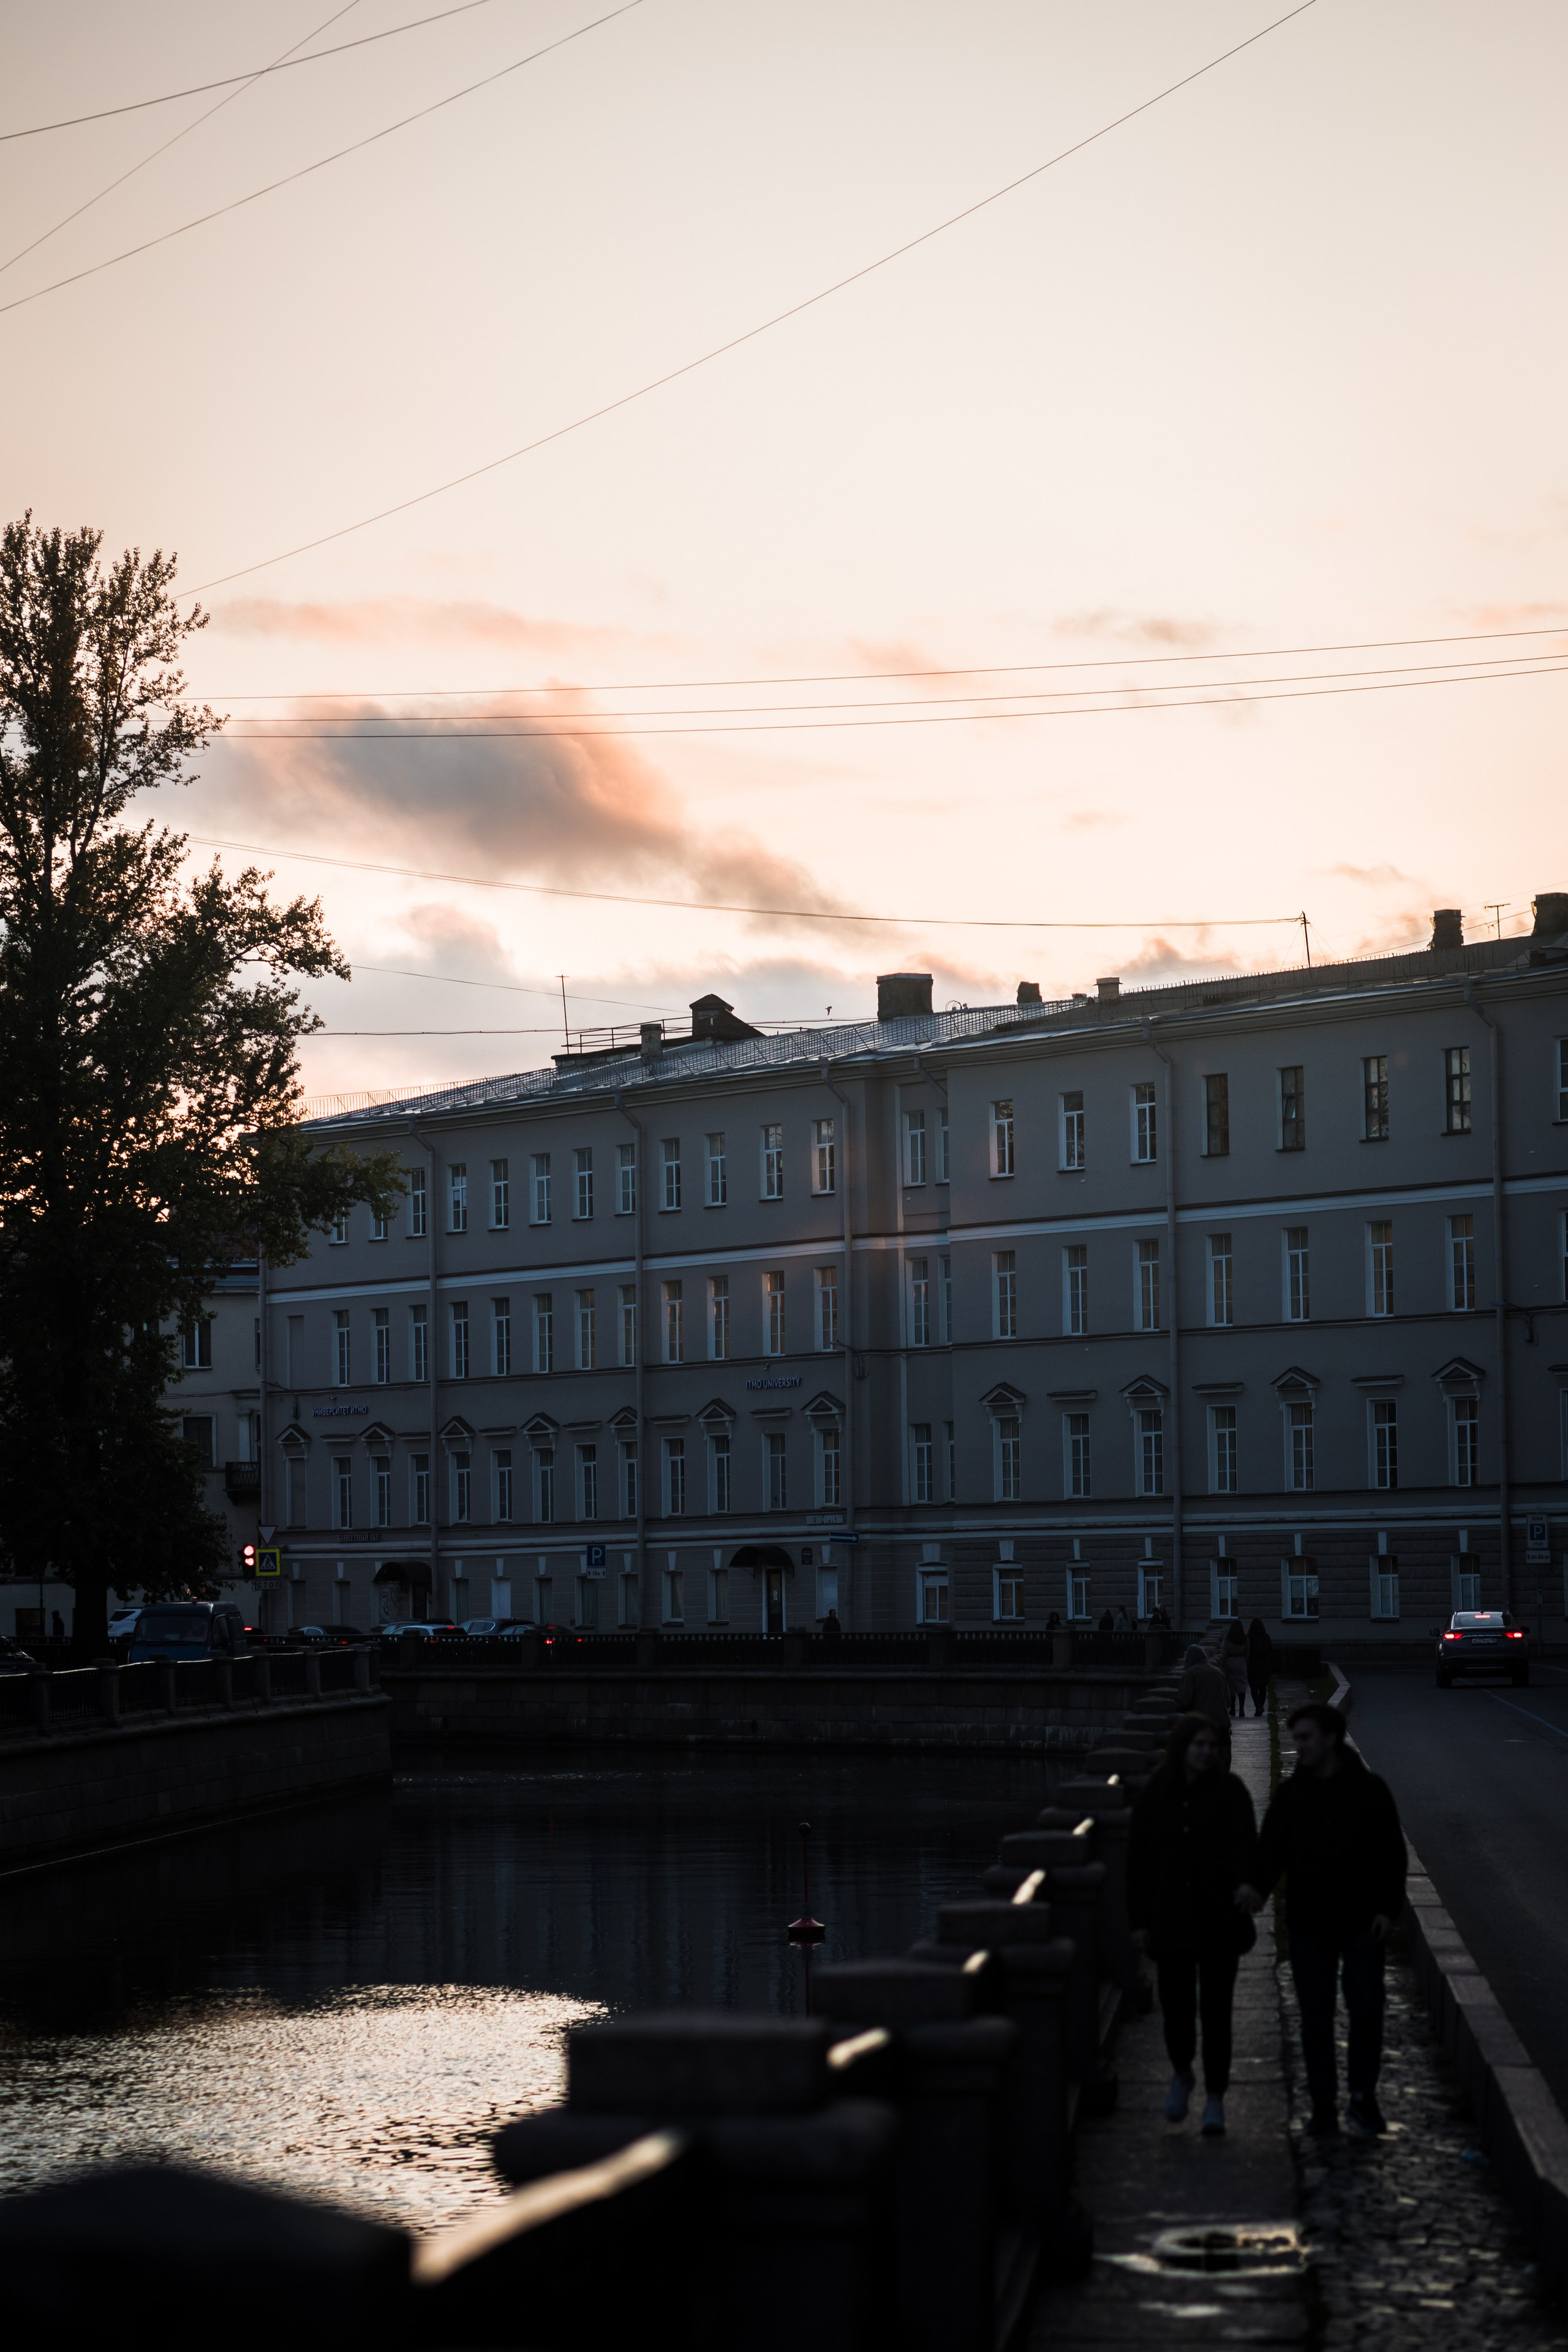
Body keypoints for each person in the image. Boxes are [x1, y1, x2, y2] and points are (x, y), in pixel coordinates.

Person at [1237, 1703, 1406, 2138]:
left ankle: (1363, 2099)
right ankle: (1324, 2105)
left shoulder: (1369, 1790)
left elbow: (1391, 1854)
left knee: (1366, 2009)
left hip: (1362, 1920)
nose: (1300, 1747)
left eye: (1306, 1738)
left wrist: (1387, 1910)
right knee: (1315, 2017)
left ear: (1330, 1738)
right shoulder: (1292, 1794)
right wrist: (1256, 1887)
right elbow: (1272, 1847)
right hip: (1309, 1922)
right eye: (1296, 1739)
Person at [1128, 1713, 1259, 2137]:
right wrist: (1138, 1921)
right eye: (1198, 1745)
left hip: (1220, 1919)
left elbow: (1247, 1845)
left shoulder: (1231, 1791)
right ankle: (1182, 2073)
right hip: (1171, 1919)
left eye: (1211, 1746)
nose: (1206, 1752)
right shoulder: (1157, 1792)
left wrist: (1248, 1883)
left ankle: (1216, 2098)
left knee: (1217, 2013)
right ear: (1182, 1748)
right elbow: (1138, 1861)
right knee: (1177, 2009)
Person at [1174, 1643, 1231, 1740]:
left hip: (1203, 1726)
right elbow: (1228, 1702)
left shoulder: (1191, 1673)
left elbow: (1185, 1700)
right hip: (1223, 1725)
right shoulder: (1218, 1672)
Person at [1245, 1617, 1275, 1717]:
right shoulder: (1266, 1637)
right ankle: (1261, 1706)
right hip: (1264, 1664)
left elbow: (1247, 1651)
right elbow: (1270, 1650)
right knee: (1263, 1687)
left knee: (1254, 1687)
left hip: (1253, 1664)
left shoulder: (1249, 1638)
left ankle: (1257, 1706)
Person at [1221, 1620, 1249, 1720]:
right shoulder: (1244, 1639)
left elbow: (1224, 1651)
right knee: (1242, 1685)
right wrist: (1245, 1662)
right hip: (1241, 1661)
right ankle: (1241, 1709)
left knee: (1231, 1685)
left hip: (1230, 1661)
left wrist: (1225, 1661)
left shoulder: (1228, 1638)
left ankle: (1232, 1708)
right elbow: (1248, 1652)